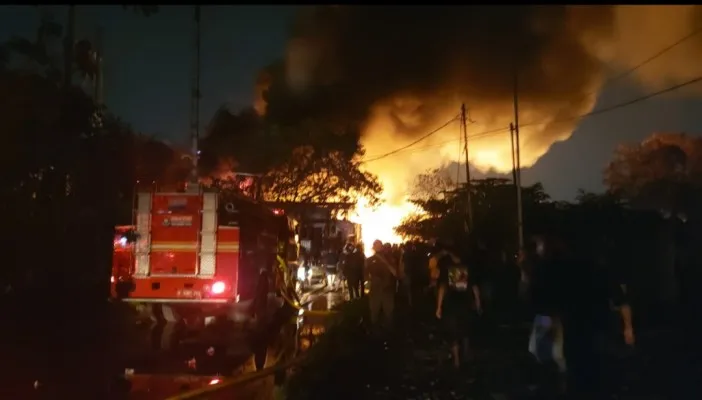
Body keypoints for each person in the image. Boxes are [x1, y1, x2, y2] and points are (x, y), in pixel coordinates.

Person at [435, 242, 482, 369]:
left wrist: (438, 307)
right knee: (465, 329)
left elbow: (442, 288)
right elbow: (474, 286)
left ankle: (457, 360)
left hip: (452, 303)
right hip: (465, 302)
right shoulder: (468, 266)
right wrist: (478, 303)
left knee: (453, 331)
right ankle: (465, 355)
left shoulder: (447, 267)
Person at [366, 239, 398, 332]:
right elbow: (366, 276)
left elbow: (395, 273)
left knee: (389, 315)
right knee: (374, 314)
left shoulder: (390, 259)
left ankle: (388, 334)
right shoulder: (369, 260)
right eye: (376, 246)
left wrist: (384, 262)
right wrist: (368, 284)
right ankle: (375, 334)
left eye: (379, 246)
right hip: (375, 292)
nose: (378, 248)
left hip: (387, 291)